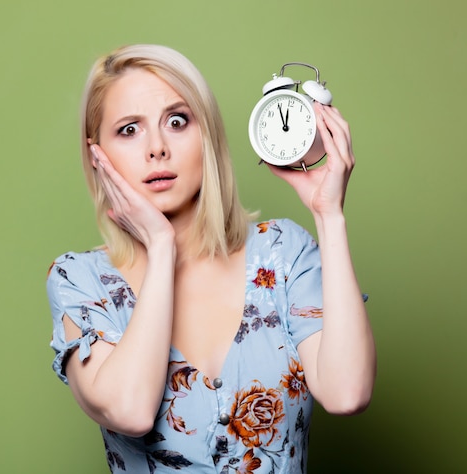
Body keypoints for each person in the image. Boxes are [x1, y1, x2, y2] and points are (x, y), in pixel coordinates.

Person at [46, 44, 376, 473]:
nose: (157, 148)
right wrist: (162, 247)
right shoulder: (80, 281)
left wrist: (328, 216)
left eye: (177, 121)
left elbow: (347, 393)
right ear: (97, 155)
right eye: (129, 130)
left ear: (208, 136)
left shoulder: (282, 254)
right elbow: (130, 411)